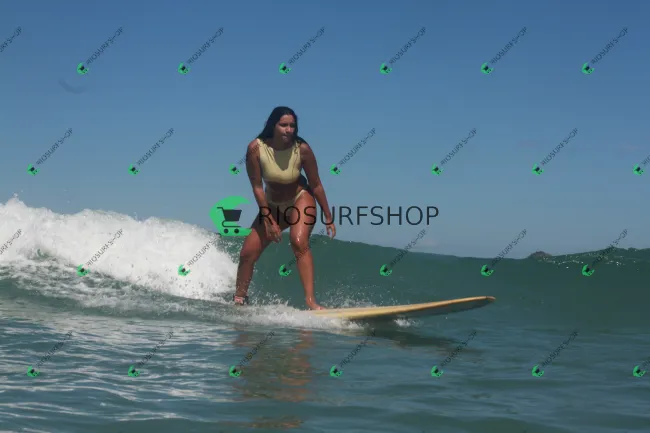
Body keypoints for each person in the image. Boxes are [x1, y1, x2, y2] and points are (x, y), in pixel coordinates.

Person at [233, 106, 336, 310]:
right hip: (273, 206)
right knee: (247, 253)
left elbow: (316, 184)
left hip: (300, 198)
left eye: (292, 126)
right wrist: (269, 220)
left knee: (298, 241)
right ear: (273, 125)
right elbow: (257, 187)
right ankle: (239, 299)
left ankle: (311, 302)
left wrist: (328, 215)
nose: (289, 130)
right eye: (284, 125)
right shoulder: (256, 148)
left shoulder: (302, 149)